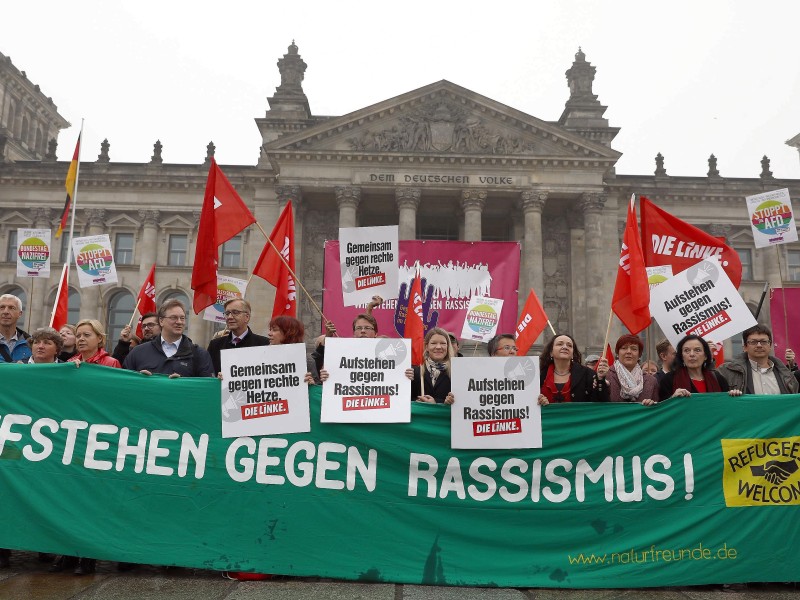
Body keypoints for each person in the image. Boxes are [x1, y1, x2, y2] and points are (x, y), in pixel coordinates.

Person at [123, 300, 214, 377]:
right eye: (173, 318)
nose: (179, 322)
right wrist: (139, 379)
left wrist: (183, 383)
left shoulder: (199, 354)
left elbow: (206, 389)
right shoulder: (138, 352)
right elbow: (124, 383)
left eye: (182, 318)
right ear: (161, 321)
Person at [717, 325, 799, 395]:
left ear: (770, 345)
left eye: (763, 342)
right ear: (745, 347)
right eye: (753, 342)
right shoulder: (727, 371)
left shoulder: (786, 374)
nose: (759, 345)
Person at [311, 295, 382, 374]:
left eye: (367, 328)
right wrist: (328, 337)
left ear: (376, 334)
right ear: (354, 334)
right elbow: (319, 361)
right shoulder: (343, 352)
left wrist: (369, 308)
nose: (363, 331)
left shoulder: (383, 352)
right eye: (358, 328)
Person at [658, 334, 737, 400]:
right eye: (686, 350)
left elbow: (725, 405)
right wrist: (672, 399)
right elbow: (662, 411)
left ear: (705, 356)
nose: (692, 354)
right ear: (681, 356)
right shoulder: (669, 380)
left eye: (697, 350)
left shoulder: (718, 379)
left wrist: (734, 396)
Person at [538, 334, 609, 405]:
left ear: (572, 354)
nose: (565, 347)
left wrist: (600, 380)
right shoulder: (539, 375)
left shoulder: (587, 374)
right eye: (560, 344)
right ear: (551, 352)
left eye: (569, 345)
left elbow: (600, 403)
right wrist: (539, 402)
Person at [207, 298, 269, 374]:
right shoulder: (215, 345)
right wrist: (216, 378)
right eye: (227, 313)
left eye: (235, 312)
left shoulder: (264, 344)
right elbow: (207, 375)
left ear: (247, 317)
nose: (229, 317)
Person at [606, 335, 658, 405]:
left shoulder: (651, 381)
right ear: (618, 353)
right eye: (624, 348)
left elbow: (657, 410)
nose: (629, 352)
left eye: (634, 349)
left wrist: (652, 404)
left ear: (639, 354)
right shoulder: (607, 376)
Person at [410, 327, 455, 404]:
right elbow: (403, 399)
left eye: (443, 343)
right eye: (433, 343)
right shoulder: (415, 370)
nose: (438, 347)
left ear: (447, 346)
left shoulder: (456, 371)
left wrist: (438, 403)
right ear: (427, 347)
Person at [0, 293, 30, 363]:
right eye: (2, 307)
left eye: (11, 308)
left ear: (20, 314)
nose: (6, 312)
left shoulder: (31, 344)